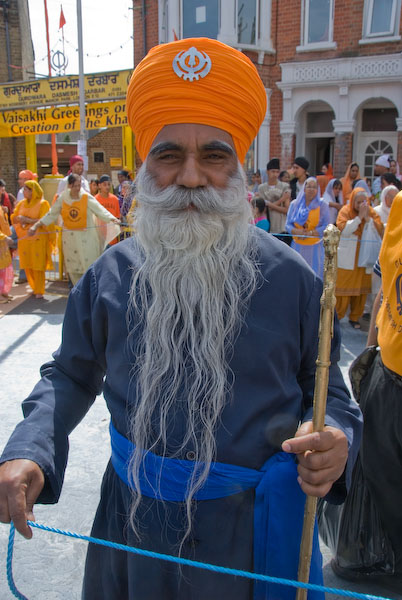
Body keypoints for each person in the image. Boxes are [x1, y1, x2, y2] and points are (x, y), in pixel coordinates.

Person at [0, 38, 362, 600]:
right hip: (131, 527)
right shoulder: (110, 275)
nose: (191, 177)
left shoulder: (295, 282)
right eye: (169, 155)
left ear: (237, 166)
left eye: (213, 156)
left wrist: (337, 436)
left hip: (248, 541)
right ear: (146, 165)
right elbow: (69, 375)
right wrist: (30, 447)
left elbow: (326, 391)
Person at [332, 190, 402, 594]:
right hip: (389, 379)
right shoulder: (399, 211)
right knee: (382, 479)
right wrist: (372, 353)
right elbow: (386, 290)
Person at [28, 174, 120, 286]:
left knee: (89, 268)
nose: (77, 188)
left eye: (79, 185)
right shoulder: (63, 198)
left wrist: (112, 219)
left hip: (87, 239)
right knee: (74, 270)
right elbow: (51, 214)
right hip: (70, 240)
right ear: (69, 185)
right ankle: (78, 293)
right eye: (75, 186)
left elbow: (100, 210)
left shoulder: (86, 197)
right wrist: (36, 226)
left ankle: (91, 292)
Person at [335, 187, 383, 329]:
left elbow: (380, 230)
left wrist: (368, 219)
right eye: (358, 201)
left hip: (364, 258)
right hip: (349, 257)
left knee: (361, 292)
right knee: (343, 289)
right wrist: (359, 218)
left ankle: (355, 317)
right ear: (353, 201)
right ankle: (337, 316)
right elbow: (343, 229)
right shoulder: (345, 211)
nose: (361, 204)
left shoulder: (371, 212)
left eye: (364, 201)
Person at [10, 181, 54, 299]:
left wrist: (28, 220)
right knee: (28, 265)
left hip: (38, 239)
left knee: (38, 265)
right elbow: (13, 217)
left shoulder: (43, 204)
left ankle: (39, 289)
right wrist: (18, 218)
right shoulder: (22, 204)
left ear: (32, 191)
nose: (24, 192)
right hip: (25, 239)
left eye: (26, 189)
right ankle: (34, 287)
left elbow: (45, 220)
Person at [285, 177, 330, 278]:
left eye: (314, 187)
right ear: (304, 189)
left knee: (315, 274)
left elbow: (326, 226)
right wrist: (296, 231)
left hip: (315, 247)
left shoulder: (323, 205)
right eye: (309, 186)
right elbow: (287, 224)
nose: (311, 189)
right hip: (298, 245)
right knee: (297, 273)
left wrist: (311, 233)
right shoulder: (294, 204)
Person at [258, 158, 290, 242]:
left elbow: (287, 210)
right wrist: (281, 200)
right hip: (267, 226)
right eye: (273, 171)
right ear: (267, 172)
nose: (275, 174)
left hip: (282, 227)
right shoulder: (262, 188)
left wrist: (270, 205)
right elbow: (263, 208)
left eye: (277, 172)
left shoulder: (284, 186)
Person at [95, 175, 121, 245]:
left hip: (112, 237)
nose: (107, 187)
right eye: (104, 185)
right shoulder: (95, 200)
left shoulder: (115, 199)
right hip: (99, 237)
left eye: (109, 184)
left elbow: (117, 216)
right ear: (99, 186)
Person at [0, 205, 14, 303]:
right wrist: (4, 237)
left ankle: (3, 291)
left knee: (4, 269)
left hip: (2, 244)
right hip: (2, 240)